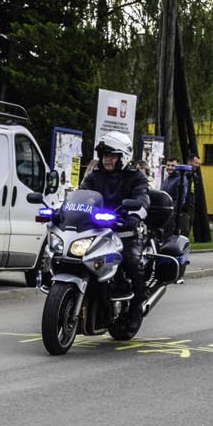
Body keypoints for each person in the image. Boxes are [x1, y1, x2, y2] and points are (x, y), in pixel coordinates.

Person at [78, 131, 151, 311]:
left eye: (111, 156)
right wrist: (63, 210)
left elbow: (143, 198)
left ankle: (136, 307)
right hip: (96, 230)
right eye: (104, 155)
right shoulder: (94, 176)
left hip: (125, 231)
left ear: (123, 157)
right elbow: (80, 194)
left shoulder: (135, 176)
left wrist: (134, 216)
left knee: (131, 261)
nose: (107, 160)